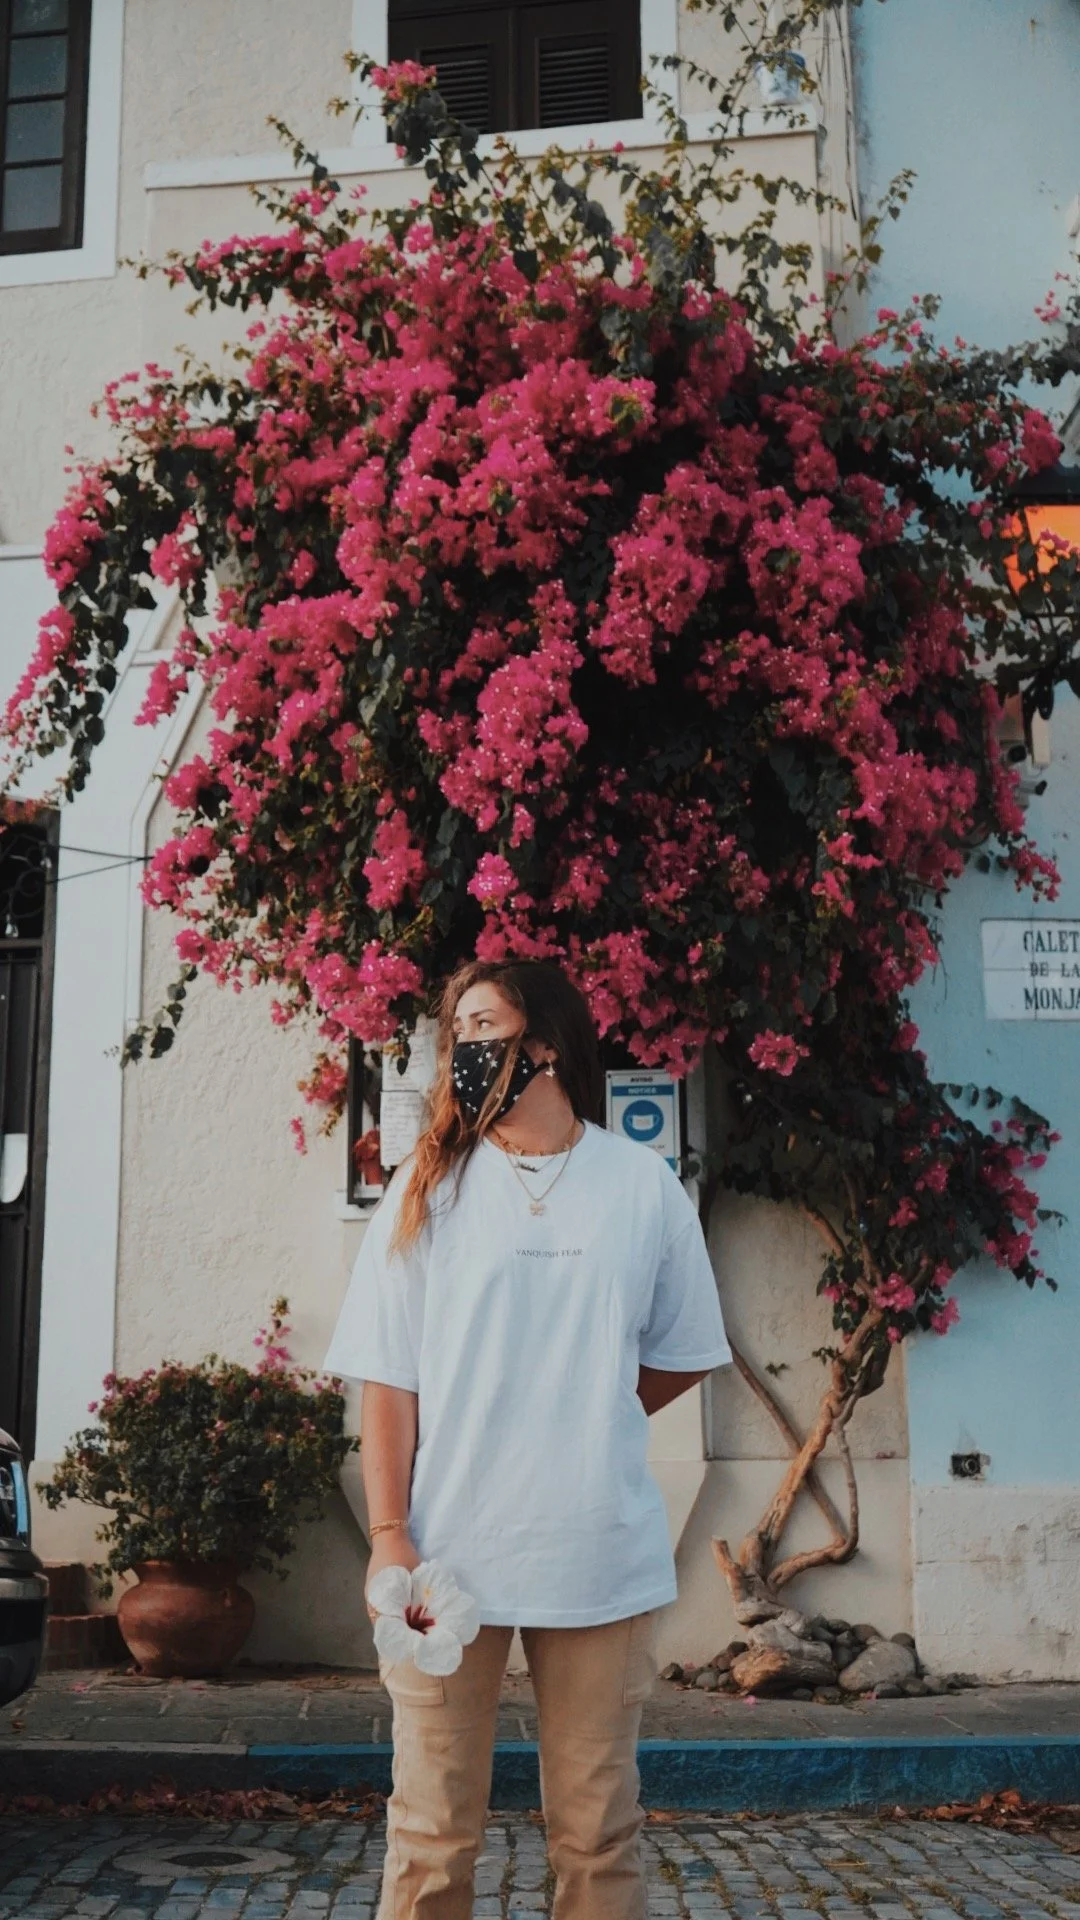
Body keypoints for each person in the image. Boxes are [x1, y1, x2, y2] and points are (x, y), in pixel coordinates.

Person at [324, 958, 731, 1919]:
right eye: (456, 1031)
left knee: (597, 1836)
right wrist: (389, 1535)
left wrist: (591, 1404)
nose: (464, 1049)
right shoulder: (428, 1186)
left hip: (596, 1549)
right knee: (430, 1837)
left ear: (543, 1042)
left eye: (484, 1026)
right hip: (444, 1558)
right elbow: (389, 1376)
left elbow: (686, 1351)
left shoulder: (642, 1186)